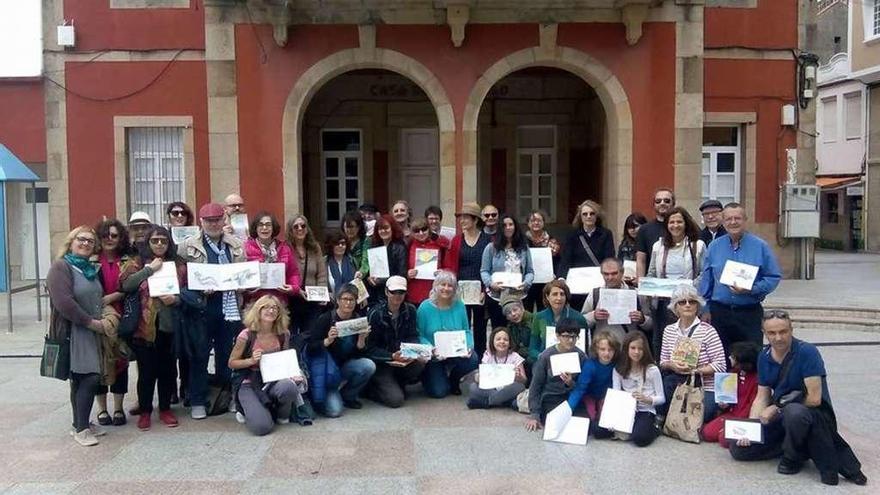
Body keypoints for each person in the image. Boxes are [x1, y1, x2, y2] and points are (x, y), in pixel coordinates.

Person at [729, 311, 867, 486]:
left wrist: (776, 408)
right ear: (764, 333)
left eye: (783, 331)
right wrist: (751, 429)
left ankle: (792, 457)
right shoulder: (763, 357)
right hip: (782, 416)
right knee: (738, 450)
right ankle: (800, 446)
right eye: (772, 333)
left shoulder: (807, 352)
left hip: (811, 414)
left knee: (794, 413)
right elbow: (761, 397)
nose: (778, 337)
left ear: (791, 330)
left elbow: (815, 398)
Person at [47, 226, 116, 446]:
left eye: (90, 241)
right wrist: (91, 323)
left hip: (92, 328)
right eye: (81, 239)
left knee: (79, 378)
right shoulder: (61, 267)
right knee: (89, 376)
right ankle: (82, 430)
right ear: (71, 241)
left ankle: (80, 423)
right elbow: (64, 303)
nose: (86, 243)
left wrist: (105, 316)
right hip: (76, 331)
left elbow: (97, 298)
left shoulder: (88, 269)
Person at [178, 202, 246, 419]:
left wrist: (243, 282)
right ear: (201, 222)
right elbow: (181, 280)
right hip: (202, 308)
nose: (213, 224)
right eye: (209, 220)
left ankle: (227, 396)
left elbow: (242, 271)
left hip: (229, 306)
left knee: (228, 353)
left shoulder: (235, 244)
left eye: (217, 219)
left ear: (224, 220)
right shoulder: (187, 246)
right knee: (199, 354)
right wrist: (198, 289)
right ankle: (198, 399)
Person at [121, 225, 188, 430]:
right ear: (148, 243)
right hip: (144, 327)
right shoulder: (138, 263)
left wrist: (176, 300)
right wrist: (150, 270)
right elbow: (125, 285)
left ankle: (166, 408)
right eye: (155, 240)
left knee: (168, 371)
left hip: (170, 327)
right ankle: (146, 410)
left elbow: (189, 292)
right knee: (147, 373)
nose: (159, 244)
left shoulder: (179, 265)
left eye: (163, 240)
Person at [700, 202, 782, 351]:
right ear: (723, 222)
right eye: (729, 219)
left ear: (745, 220)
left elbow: (773, 277)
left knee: (751, 358)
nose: (733, 222)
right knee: (721, 359)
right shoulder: (714, 247)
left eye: (737, 218)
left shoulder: (760, 246)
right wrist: (706, 308)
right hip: (720, 313)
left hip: (749, 312)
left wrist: (752, 289)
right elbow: (707, 280)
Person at [228, 295, 307, 436]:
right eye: (266, 307)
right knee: (261, 427)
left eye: (275, 308)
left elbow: (285, 358)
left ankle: (281, 415)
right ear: (258, 310)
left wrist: (293, 373)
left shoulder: (283, 334)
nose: (271, 311)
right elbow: (231, 362)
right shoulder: (246, 335)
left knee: (289, 386)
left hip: (273, 379)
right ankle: (245, 409)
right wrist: (251, 360)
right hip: (249, 381)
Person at [658, 285, 726, 423]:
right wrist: (673, 366)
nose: (687, 305)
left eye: (692, 301)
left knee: (701, 415)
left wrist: (696, 370)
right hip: (678, 382)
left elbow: (721, 365)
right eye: (682, 302)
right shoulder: (669, 330)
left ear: (698, 306)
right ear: (675, 307)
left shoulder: (708, 331)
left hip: (704, 385)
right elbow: (663, 361)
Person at [307, 284, 376, 417]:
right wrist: (327, 341)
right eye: (345, 299)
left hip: (344, 366)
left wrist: (361, 340)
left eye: (352, 300)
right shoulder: (325, 319)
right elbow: (311, 348)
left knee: (368, 365)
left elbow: (360, 354)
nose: (348, 303)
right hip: (327, 371)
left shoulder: (358, 319)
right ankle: (325, 395)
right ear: (338, 300)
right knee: (334, 411)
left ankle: (348, 395)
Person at [645, 206, 706, 356]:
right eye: (671, 222)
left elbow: (705, 273)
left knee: (686, 338)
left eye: (679, 221)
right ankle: (664, 373)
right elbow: (652, 272)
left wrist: (689, 288)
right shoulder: (658, 246)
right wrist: (649, 288)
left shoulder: (697, 246)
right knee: (662, 341)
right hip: (662, 302)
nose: (675, 225)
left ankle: (685, 372)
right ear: (667, 225)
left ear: (686, 223)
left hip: (687, 301)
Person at [364, 276, 426, 408]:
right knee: (396, 401)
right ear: (386, 292)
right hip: (382, 363)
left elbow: (413, 336)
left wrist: (412, 352)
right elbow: (369, 348)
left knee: (420, 364)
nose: (397, 296)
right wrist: (391, 356)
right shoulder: (375, 314)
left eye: (401, 292)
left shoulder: (410, 310)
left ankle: (398, 383)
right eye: (394, 292)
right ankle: (370, 388)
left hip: (402, 359)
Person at [92, 219, 131, 427]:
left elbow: (132, 286)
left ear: (121, 238)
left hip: (121, 315)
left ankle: (117, 408)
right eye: (106, 235)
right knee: (99, 362)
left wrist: (113, 297)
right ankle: (102, 409)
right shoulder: (90, 260)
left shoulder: (126, 260)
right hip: (96, 317)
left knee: (120, 360)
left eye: (114, 235)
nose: (109, 239)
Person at [416, 270, 479, 398]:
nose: (446, 288)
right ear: (435, 286)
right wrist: (430, 349)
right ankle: (430, 376)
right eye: (442, 284)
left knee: (473, 360)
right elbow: (419, 334)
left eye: (450, 285)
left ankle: (454, 379)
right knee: (439, 392)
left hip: (455, 351)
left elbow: (466, 330)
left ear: (454, 289)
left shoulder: (460, 306)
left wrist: (469, 346)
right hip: (434, 355)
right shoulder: (424, 307)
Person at [445, 202, 492, 357]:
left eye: (465, 217)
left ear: (475, 220)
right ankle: (462, 358)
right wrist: (451, 289)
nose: (462, 221)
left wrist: (486, 290)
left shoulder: (487, 240)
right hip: (460, 290)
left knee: (480, 327)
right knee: (461, 325)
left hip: (480, 290)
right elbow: (450, 267)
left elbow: (491, 267)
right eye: (461, 218)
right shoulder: (457, 240)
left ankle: (479, 359)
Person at [525, 319, 588, 431]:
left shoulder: (581, 356)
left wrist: (570, 383)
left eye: (574, 337)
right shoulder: (546, 356)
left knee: (583, 425)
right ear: (558, 336)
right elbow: (535, 386)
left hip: (571, 397)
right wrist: (534, 414)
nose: (570, 340)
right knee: (556, 424)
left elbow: (583, 385)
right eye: (566, 336)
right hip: (551, 397)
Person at [559, 200, 615, 312]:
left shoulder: (606, 234)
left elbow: (609, 258)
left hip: (598, 282)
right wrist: (561, 278)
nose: (588, 216)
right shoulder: (572, 235)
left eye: (592, 213)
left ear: (597, 215)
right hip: (577, 284)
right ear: (580, 217)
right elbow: (566, 259)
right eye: (585, 214)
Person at [480, 214, 534, 330]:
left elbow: (530, 271)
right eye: (504, 225)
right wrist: (491, 284)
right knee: (500, 331)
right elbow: (484, 271)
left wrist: (526, 283)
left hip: (519, 296)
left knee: (520, 331)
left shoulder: (524, 248)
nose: (508, 228)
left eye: (511, 224)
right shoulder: (491, 248)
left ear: (515, 227)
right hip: (497, 297)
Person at [701, 341, 760, 447]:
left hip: (744, 417)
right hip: (731, 413)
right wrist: (725, 405)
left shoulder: (756, 380)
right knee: (707, 433)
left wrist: (736, 422)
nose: (729, 357)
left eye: (733, 356)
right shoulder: (733, 373)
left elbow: (751, 406)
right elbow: (729, 397)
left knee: (724, 439)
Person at [612, 332, 665, 447]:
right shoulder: (618, 369)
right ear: (626, 349)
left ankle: (656, 427)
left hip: (645, 410)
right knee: (598, 430)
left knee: (640, 439)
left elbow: (662, 398)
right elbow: (616, 393)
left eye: (640, 348)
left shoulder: (652, 370)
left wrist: (648, 399)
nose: (636, 352)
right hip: (626, 409)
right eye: (633, 348)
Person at [582, 258, 651, 344]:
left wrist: (642, 319)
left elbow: (651, 324)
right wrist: (593, 316)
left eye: (614, 273)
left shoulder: (637, 294)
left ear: (622, 272)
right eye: (606, 274)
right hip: (603, 350)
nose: (610, 277)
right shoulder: (595, 294)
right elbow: (581, 322)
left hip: (628, 349)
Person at [566, 331, 620, 439]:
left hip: (606, 397)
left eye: (610, 350)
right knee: (590, 420)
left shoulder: (617, 365)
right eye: (603, 349)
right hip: (589, 396)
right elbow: (580, 389)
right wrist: (567, 409)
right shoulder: (590, 365)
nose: (606, 353)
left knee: (605, 421)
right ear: (596, 349)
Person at [244, 211, 301, 305]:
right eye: (260, 225)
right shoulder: (246, 248)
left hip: (279, 302)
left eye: (268, 225)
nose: (264, 228)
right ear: (255, 228)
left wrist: (293, 287)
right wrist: (248, 287)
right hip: (255, 302)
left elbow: (293, 273)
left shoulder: (284, 248)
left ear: (273, 227)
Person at [465, 327, 528, 409]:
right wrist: (478, 377)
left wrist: (518, 376)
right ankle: (505, 402)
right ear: (493, 342)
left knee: (519, 386)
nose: (502, 342)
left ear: (509, 343)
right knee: (473, 387)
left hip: (508, 388)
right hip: (492, 388)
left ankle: (486, 403)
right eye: (498, 339)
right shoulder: (488, 355)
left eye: (505, 340)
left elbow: (524, 381)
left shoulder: (515, 356)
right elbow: (481, 377)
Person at [286, 214, 328, 336]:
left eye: (303, 226)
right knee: (292, 336)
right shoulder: (285, 249)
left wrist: (322, 294)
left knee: (311, 335)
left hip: (312, 299)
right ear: (290, 230)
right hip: (292, 299)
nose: (300, 229)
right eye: (296, 227)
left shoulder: (315, 248)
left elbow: (321, 274)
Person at [529, 280, 587, 364]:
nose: (559, 298)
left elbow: (583, 348)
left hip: (570, 362)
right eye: (554, 294)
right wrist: (543, 357)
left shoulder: (578, 318)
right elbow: (532, 348)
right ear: (547, 297)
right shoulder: (539, 317)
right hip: (545, 362)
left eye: (562, 294)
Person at [365, 214, 408, 302]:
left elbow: (402, 273)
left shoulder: (400, 247)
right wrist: (369, 278)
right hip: (375, 293)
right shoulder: (374, 247)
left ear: (392, 229)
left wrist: (381, 281)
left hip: (394, 293)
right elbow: (370, 270)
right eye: (380, 229)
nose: (383, 231)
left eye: (386, 228)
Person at [523, 209, 561, 312]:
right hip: (527, 284)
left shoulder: (552, 241)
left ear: (543, 223)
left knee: (544, 311)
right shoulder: (522, 241)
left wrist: (555, 276)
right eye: (532, 221)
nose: (536, 223)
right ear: (528, 223)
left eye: (539, 220)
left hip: (546, 283)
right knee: (527, 311)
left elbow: (558, 261)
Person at [406, 217, 447, 306]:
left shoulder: (439, 244)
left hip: (434, 292)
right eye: (417, 231)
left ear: (429, 229)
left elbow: (447, 266)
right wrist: (407, 274)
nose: (421, 233)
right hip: (413, 294)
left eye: (424, 229)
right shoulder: (408, 246)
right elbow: (401, 268)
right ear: (412, 233)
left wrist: (442, 272)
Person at [636, 188, 675, 278]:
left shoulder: (681, 227)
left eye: (666, 201)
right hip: (652, 281)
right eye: (658, 201)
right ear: (654, 205)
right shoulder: (644, 229)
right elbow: (641, 260)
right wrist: (640, 282)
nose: (662, 203)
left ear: (673, 203)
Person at [325, 231, 358, 300]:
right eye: (337, 243)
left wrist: (363, 296)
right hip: (330, 304)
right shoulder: (324, 262)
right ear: (331, 245)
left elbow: (357, 282)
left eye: (343, 243)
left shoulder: (352, 261)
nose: (340, 246)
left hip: (351, 303)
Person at [342, 210, 369, 278]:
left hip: (360, 277)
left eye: (352, 227)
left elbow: (366, 261)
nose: (349, 230)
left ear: (359, 227)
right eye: (347, 227)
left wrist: (362, 272)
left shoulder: (365, 241)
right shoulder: (341, 241)